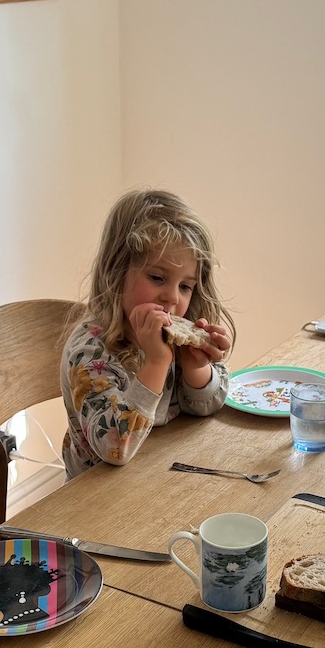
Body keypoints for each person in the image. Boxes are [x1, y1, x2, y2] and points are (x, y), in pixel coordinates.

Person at [60, 188, 234, 478]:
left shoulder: (174, 337)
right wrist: (155, 364)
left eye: (185, 286)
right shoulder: (90, 352)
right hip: (93, 502)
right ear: (115, 272)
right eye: (157, 278)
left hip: (158, 476)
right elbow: (115, 447)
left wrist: (197, 369)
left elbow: (210, 405)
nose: (173, 299)